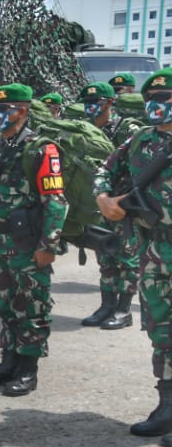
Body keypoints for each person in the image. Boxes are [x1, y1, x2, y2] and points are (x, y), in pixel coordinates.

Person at [0, 83, 69, 396]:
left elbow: (56, 202)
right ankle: (8, 360)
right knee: (7, 304)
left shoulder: (41, 149)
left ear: (21, 111)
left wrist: (48, 246)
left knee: (32, 305)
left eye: (2, 110)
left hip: (29, 242)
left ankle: (27, 369)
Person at [94, 68, 172, 446]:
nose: (158, 107)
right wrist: (104, 199)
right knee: (161, 329)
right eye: (152, 101)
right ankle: (167, 407)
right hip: (153, 250)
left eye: (166, 100)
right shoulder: (140, 140)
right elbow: (104, 172)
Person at [77, 81, 143, 330]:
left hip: (125, 205)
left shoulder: (128, 128)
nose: (91, 107)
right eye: (87, 103)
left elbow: (139, 163)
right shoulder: (85, 130)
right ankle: (107, 305)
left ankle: (124, 309)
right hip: (99, 201)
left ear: (110, 103)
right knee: (105, 254)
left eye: (96, 103)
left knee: (127, 256)